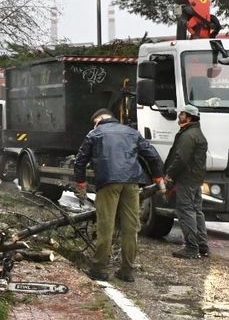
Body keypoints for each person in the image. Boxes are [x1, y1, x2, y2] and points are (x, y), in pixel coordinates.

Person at [75, 108, 165, 282]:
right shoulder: (132, 132)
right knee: (131, 227)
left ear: (99, 119)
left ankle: (99, 268)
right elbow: (152, 155)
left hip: (108, 182)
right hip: (132, 182)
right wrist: (158, 176)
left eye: (95, 122)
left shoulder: (94, 134)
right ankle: (127, 270)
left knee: (106, 225)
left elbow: (80, 161)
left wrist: (81, 183)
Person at [166, 104, 210, 259]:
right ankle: (202, 246)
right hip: (196, 179)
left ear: (189, 117)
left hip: (186, 179)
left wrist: (170, 174)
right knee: (197, 211)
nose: (180, 116)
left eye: (182, 114)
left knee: (186, 211)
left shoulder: (188, 135)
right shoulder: (197, 133)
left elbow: (181, 159)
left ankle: (191, 247)